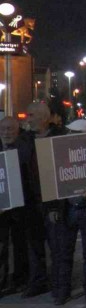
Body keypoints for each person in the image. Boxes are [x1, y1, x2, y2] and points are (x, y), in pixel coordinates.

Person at [22, 102, 68, 299]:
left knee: (57, 247)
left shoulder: (60, 137)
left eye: (31, 115)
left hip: (52, 202)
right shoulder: (25, 139)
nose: (28, 119)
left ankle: (60, 286)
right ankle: (38, 282)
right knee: (34, 246)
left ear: (43, 117)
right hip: (31, 202)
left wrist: (56, 205)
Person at [57, 120, 86, 305]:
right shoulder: (63, 154)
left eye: (74, 133)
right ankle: (63, 290)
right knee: (65, 252)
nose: (69, 136)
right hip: (69, 208)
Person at [0, 117, 30, 294]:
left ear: (18, 131)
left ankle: (20, 279)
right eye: (3, 129)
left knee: (20, 244)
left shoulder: (24, 149)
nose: (6, 133)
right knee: (1, 246)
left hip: (21, 206)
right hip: (1, 209)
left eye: (10, 129)